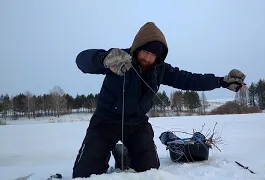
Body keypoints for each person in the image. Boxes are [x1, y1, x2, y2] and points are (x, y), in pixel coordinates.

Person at [72, 22, 246, 178]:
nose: (148, 58)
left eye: (153, 55)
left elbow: (189, 79)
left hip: (137, 125)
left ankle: (124, 154)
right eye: (145, 51)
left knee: (150, 172)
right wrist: (103, 59)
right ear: (137, 47)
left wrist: (220, 81)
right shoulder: (118, 59)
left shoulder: (160, 69)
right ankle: (112, 153)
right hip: (105, 122)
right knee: (84, 175)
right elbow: (82, 60)